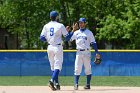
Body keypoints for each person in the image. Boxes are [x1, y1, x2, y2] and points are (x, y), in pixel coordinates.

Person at [40, 11, 74, 91]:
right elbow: (67, 38)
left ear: (50, 17)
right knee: (58, 66)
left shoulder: (46, 26)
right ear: (57, 17)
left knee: (53, 67)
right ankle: (51, 81)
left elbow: (41, 38)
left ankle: (57, 84)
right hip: (57, 47)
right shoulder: (60, 25)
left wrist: (49, 39)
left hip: (49, 47)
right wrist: (72, 31)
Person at [66, 18, 99, 90]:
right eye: (79, 23)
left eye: (82, 22)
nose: (80, 24)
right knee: (77, 68)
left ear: (85, 23)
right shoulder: (76, 32)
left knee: (88, 69)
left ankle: (88, 85)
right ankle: (76, 84)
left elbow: (93, 43)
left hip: (87, 52)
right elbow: (68, 39)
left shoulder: (89, 32)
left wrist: (97, 52)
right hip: (79, 52)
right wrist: (72, 31)